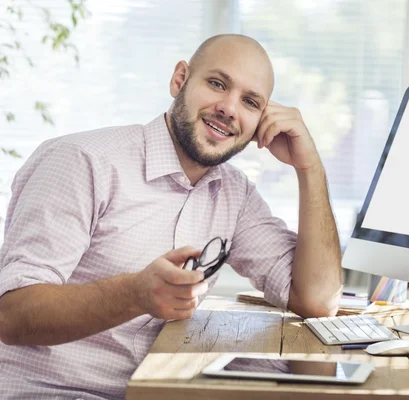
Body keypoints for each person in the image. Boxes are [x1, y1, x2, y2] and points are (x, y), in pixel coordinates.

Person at [0, 34, 343, 399]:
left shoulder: (234, 193)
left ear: (260, 122)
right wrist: (134, 294)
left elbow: (318, 300)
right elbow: (12, 314)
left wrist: (310, 167)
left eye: (249, 102)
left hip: (156, 388)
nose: (228, 108)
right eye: (216, 83)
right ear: (180, 79)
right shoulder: (81, 161)